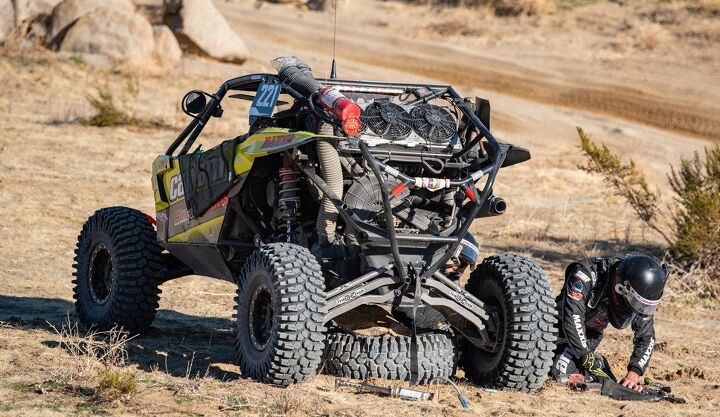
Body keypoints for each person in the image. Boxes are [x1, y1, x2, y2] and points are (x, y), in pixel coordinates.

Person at [551, 255, 668, 392]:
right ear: (620, 288)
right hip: (558, 329)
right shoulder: (586, 273)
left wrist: (634, 373)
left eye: (646, 305)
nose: (640, 308)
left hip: (590, 335)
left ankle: (595, 365)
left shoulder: (640, 295)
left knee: (565, 368)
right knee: (559, 370)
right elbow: (572, 317)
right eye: (637, 303)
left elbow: (646, 336)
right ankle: (594, 364)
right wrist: (588, 359)